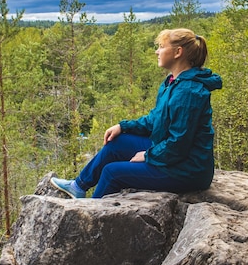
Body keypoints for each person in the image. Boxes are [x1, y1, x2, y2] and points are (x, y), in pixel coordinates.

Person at [51, 28, 222, 199]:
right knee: (117, 143)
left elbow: (179, 144)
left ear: (178, 52)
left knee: (112, 172)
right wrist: (123, 126)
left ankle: (89, 218)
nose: (157, 51)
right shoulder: (173, 82)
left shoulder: (189, 91)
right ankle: (78, 186)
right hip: (174, 157)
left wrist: (148, 155)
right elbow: (154, 120)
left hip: (187, 170)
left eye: (161, 47)